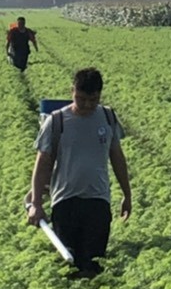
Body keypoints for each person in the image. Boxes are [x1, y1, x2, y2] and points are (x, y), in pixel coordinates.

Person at [27, 67, 133, 277]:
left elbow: (117, 158)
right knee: (68, 264)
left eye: (93, 100)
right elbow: (42, 163)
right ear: (72, 91)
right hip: (65, 202)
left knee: (94, 262)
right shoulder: (56, 121)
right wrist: (36, 204)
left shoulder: (108, 117)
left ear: (100, 95)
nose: (86, 105)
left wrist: (127, 195)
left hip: (98, 201)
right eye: (81, 98)